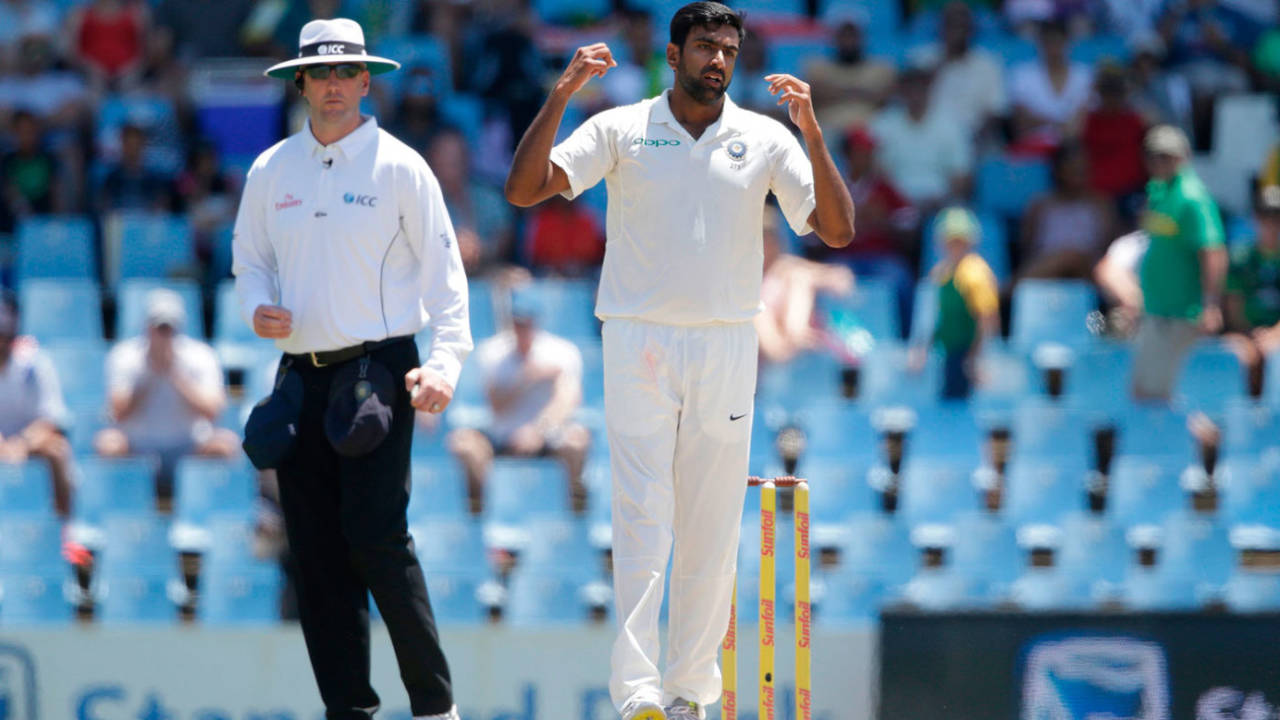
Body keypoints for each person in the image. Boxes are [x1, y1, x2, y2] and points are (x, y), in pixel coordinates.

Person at [503, 3, 855, 719]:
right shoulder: (622, 127)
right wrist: (562, 95)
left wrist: (813, 133)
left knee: (711, 524)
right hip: (637, 335)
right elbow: (523, 190)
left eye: (728, 49)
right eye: (703, 47)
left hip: (728, 339)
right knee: (642, 517)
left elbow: (838, 231)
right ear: (673, 53)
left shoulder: (765, 137)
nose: (717, 60)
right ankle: (637, 697)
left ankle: (690, 694)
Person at [232, 18, 470, 720]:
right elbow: (249, 261)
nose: (333, 85)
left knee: (375, 535)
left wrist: (447, 365)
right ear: (299, 82)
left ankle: (435, 707)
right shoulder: (271, 169)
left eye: (346, 73)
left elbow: (447, 279)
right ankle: (349, 711)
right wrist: (255, 307)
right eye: (320, 73)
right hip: (299, 377)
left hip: (380, 371)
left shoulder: (401, 166)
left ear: (366, 81)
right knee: (313, 551)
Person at [447, 289, 591, 514]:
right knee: (464, 444)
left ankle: (569, 509)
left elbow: (568, 400)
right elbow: (496, 404)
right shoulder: (493, 352)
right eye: (518, 321)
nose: (523, 328)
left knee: (576, 441)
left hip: (548, 437)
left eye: (527, 321)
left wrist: (538, 431)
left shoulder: (562, 351)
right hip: (503, 437)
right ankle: (492, 510)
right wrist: (528, 377)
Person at [94, 289, 240, 495]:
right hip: (138, 448)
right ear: (147, 326)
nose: (164, 333)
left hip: (189, 448)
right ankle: (123, 508)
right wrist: (150, 375)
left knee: (225, 445)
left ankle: (206, 510)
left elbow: (213, 411)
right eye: (158, 326)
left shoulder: (202, 355)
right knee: (108, 445)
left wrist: (175, 374)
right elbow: (118, 413)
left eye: (168, 327)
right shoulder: (123, 356)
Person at [1132, 124, 1226, 402]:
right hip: (1156, 310)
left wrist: (1210, 304)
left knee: (1170, 397)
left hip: (1182, 314)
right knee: (1145, 393)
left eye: (1166, 156)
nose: (1158, 162)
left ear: (1182, 157)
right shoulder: (1158, 192)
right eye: (1153, 156)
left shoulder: (1192, 197)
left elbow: (1213, 251)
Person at [909, 206, 999, 399]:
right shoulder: (942, 273)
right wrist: (922, 351)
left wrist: (976, 359)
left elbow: (986, 319)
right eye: (950, 241)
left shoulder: (975, 274)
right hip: (948, 354)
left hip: (966, 356)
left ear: (971, 241)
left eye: (960, 241)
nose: (955, 246)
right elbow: (934, 317)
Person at [0, 292, 73, 518]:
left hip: (29, 446)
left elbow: (51, 419)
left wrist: (20, 445)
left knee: (57, 450)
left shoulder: (35, 363)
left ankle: (62, 529)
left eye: (3, 333)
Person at [758, 210, 856, 366]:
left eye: (771, 239)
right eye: (763, 241)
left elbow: (840, 276)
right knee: (758, 310)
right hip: (768, 349)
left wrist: (832, 281)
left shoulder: (787, 267)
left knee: (799, 277)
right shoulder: (746, 278)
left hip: (794, 337)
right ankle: (796, 335)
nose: (767, 247)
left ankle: (798, 332)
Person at [871, 65, 973, 213]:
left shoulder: (951, 125)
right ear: (902, 92)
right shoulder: (883, 124)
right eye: (910, 88)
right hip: (895, 204)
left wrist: (941, 200)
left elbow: (961, 176)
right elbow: (877, 171)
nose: (915, 94)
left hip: (940, 203)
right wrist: (898, 200)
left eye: (920, 88)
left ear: (929, 90)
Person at [1018, 142, 1117, 280]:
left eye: (1083, 170)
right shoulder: (1040, 205)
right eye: (1073, 170)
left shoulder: (1101, 204)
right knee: (1065, 258)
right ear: (1059, 170)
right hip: (1047, 271)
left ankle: (1007, 292)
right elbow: (1028, 248)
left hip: (1089, 271)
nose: (1080, 175)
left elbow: (1109, 247)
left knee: (1071, 257)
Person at [1222, 186, 1280, 396]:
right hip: (1245, 332)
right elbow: (1233, 308)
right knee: (1239, 353)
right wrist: (1250, 336)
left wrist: (1274, 334)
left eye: (1278, 218)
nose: (1273, 225)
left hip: (1277, 332)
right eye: (1266, 217)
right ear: (1256, 219)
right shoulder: (1241, 259)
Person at [1008, 19, 1094, 150]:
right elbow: (1020, 121)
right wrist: (1059, 123)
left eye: (1058, 42)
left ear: (1068, 43)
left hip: (1075, 147)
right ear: (1039, 44)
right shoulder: (1022, 75)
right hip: (1033, 145)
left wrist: (1047, 123)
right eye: (1048, 42)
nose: (1053, 48)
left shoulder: (1084, 75)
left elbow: (1086, 117)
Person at [805, 17, 896, 134]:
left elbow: (885, 97)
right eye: (843, 36)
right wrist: (862, 92)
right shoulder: (816, 67)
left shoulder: (882, 67)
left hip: (871, 132)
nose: (848, 41)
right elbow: (814, 95)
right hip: (828, 130)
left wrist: (836, 92)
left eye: (853, 36)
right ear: (834, 38)